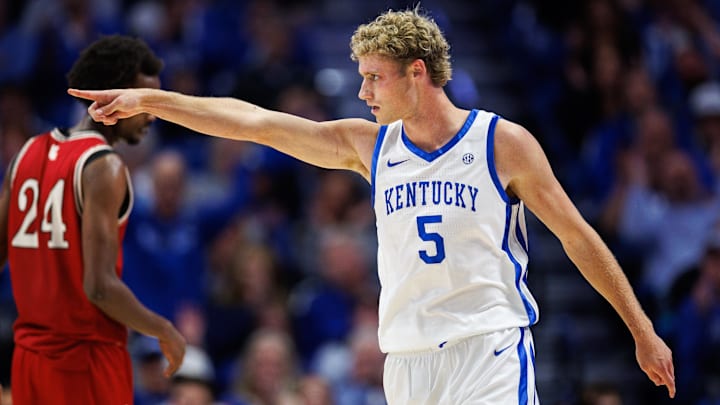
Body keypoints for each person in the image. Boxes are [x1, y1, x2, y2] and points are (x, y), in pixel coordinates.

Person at [68, 7, 676, 403]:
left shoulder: (502, 142)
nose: (362, 92)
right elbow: (255, 123)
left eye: (374, 78)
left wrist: (641, 330)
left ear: (418, 73)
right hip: (406, 360)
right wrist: (156, 102)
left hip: (487, 347)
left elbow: (576, 236)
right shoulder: (368, 145)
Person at [0, 35, 186, 404]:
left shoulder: (28, 151)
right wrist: (163, 329)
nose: (152, 113)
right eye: (146, 100)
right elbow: (99, 287)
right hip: (85, 359)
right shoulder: (104, 166)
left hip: (28, 359)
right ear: (112, 95)